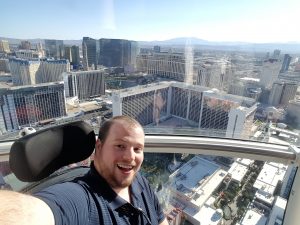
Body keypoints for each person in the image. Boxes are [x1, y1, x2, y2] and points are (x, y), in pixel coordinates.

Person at [0, 115, 169, 225]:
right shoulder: (82, 199)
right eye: (120, 146)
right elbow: (30, 214)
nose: (130, 157)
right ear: (99, 147)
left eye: (137, 149)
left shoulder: (140, 182)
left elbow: (161, 221)